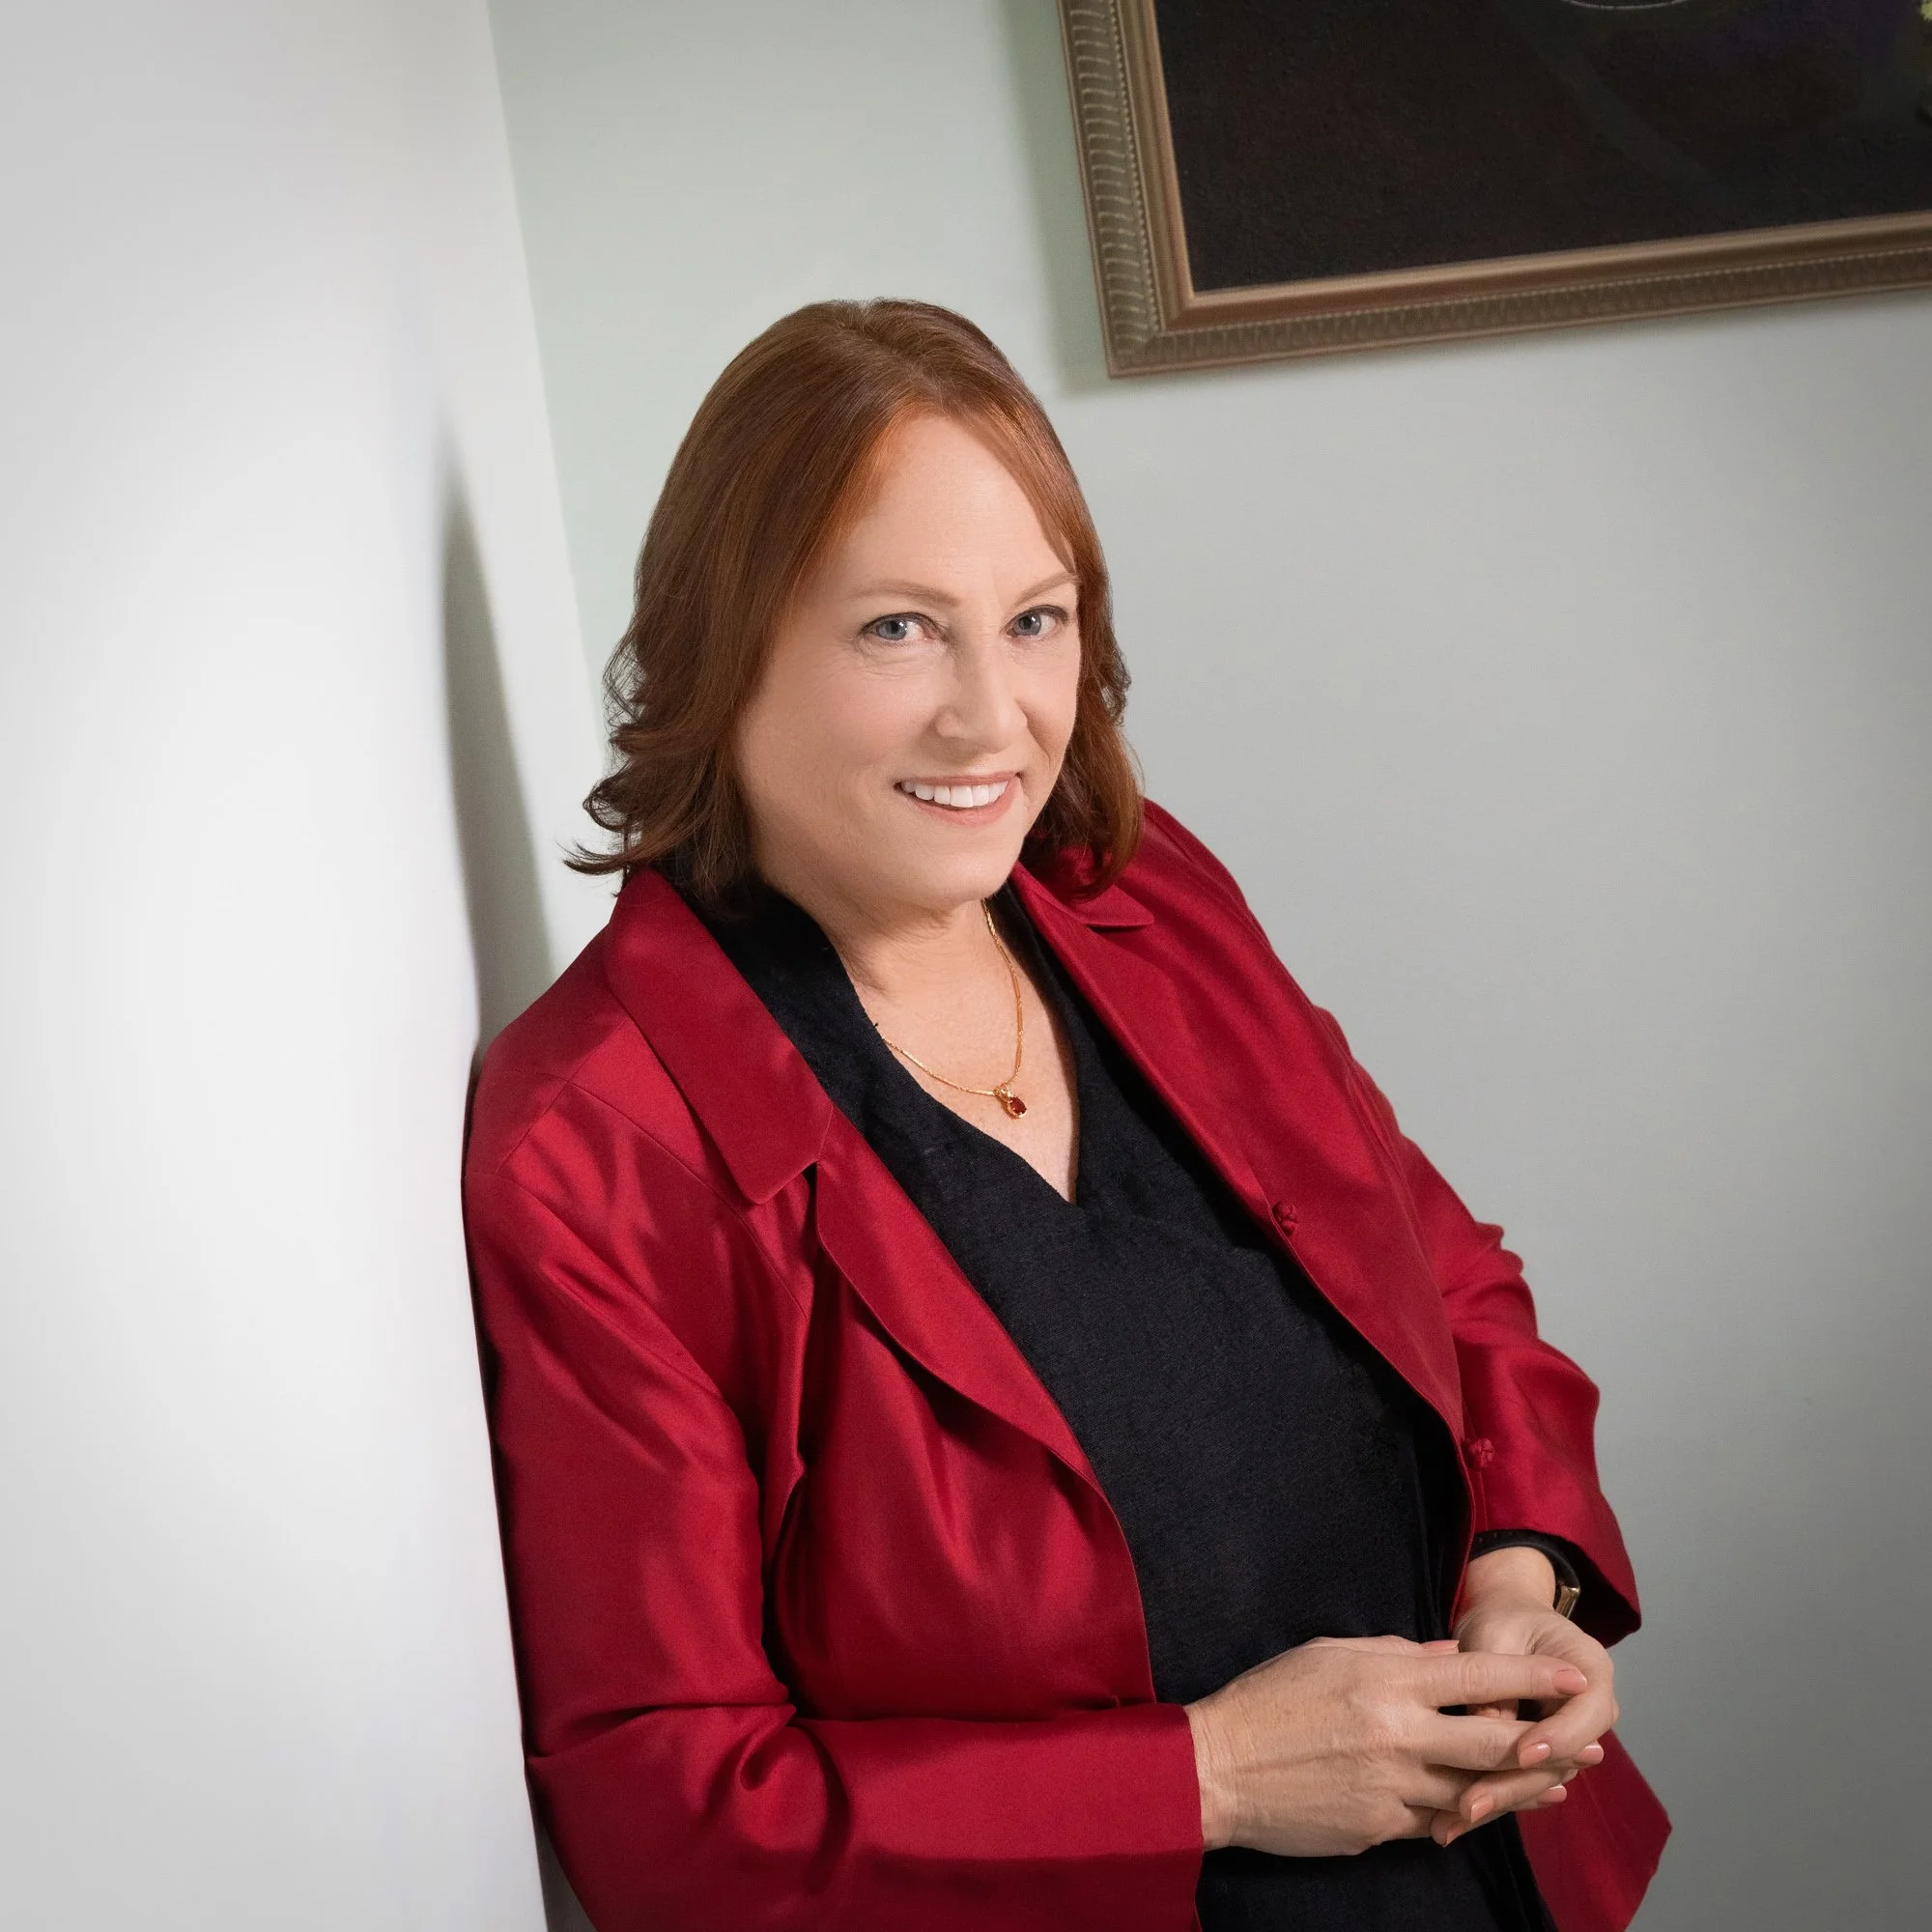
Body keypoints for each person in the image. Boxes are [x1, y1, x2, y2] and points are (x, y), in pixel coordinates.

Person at [462, 298, 1669, 1932]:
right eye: (900, 629)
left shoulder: (1146, 895)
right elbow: (668, 1814)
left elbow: (1449, 1279)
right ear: (722, 643)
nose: (993, 719)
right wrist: (1215, 1778)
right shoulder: (595, 1142)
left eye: (1034, 622)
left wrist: (1524, 1584)